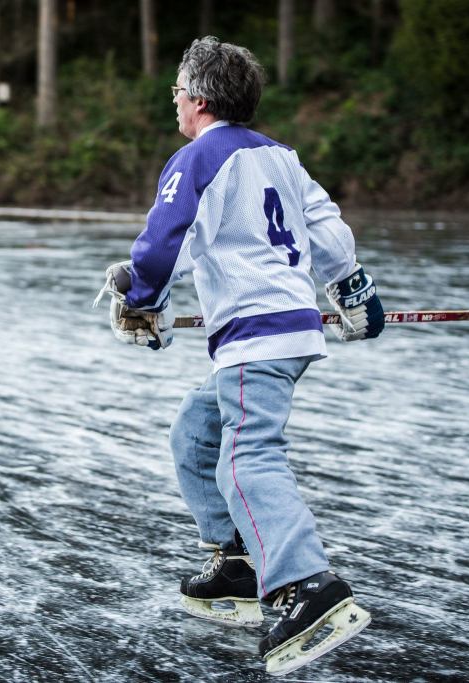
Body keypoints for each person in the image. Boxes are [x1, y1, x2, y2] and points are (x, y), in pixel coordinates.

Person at [96, 37, 384, 676]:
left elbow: (164, 238)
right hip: (283, 328)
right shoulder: (280, 158)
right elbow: (325, 232)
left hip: (257, 334)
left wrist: (142, 297)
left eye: (175, 90)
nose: (172, 100)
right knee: (197, 435)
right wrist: (352, 287)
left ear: (198, 99)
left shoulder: (195, 159)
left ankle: (305, 583)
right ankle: (238, 563)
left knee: (246, 455)